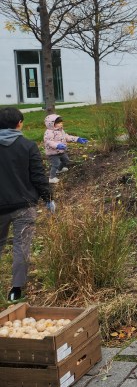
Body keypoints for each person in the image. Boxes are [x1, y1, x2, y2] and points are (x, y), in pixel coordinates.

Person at [0, 107, 53, 302]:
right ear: (19, 124)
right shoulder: (28, 146)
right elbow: (38, 176)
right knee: (21, 247)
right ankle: (16, 290)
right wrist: (48, 199)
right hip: (24, 206)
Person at [43, 114, 88, 184]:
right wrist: (57, 145)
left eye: (61, 122)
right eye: (58, 123)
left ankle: (59, 169)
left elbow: (66, 137)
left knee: (66, 160)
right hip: (53, 153)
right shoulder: (49, 133)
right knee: (56, 164)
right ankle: (51, 177)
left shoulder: (61, 130)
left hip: (61, 151)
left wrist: (77, 139)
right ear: (51, 124)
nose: (61, 124)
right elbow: (49, 142)